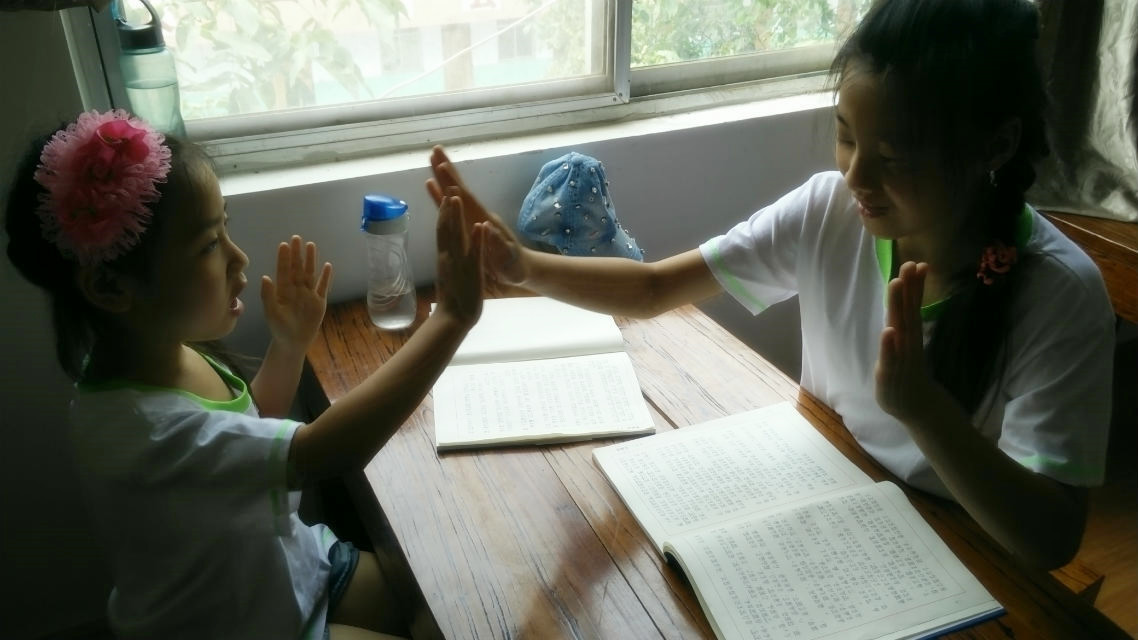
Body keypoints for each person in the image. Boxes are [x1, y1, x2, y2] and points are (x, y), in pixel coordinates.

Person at [426, 0, 1114, 571]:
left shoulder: (1060, 296)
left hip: (958, 560)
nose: (855, 177)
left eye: (893, 157)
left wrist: (925, 412)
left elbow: (1051, 538)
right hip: (824, 503)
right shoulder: (828, 212)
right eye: (846, 137)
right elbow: (655, 288)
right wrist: (524, 266)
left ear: (995, 146)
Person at [4, 109, 484, 639]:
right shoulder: (141, 431)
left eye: (224, 228)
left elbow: (251, 429)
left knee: (445, 600)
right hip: (243, 624)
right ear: (112, 288)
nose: (239, 258)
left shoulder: (163, 355)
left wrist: (289, 346)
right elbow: (326, 454)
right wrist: (451, 321)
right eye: (209, 245)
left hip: (295, 570)